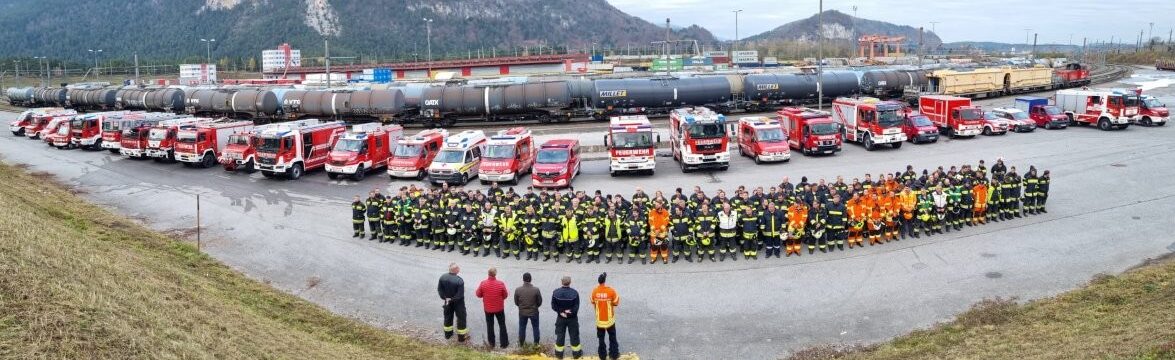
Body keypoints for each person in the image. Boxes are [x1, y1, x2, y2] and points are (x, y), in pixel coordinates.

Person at [475, 267, 509, 349]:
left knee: (490, 326)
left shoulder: (483, 283)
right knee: (502, 325)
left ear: (488, 274)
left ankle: (491, 343)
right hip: (499, 308)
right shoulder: (500, 284)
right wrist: (500, 299)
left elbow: (478, 294)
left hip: (488, 309)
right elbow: (505, 295)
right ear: (495, 274)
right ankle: (504, 343)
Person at [552, 276, 582, 359]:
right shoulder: (575, 293)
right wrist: (568, 313)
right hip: (572, 319)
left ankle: (559, 354)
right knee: (574, 336)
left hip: (561, 318)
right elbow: (576, 307)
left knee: (560, 336)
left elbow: (553, 306)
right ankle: (576, 354)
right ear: (570, 282)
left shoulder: (556, 293)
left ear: (562, 282)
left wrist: (561, 312)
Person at [591, 273, 620, 360]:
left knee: (601, 339)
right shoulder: (610, 291)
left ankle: (602, 356)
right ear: (605, 281)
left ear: (598, 281)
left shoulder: (594, 291)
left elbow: (592, 301)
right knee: (612, 337)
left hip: (599, 321)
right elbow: (616, 302)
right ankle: (614, 354)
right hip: (610, 321)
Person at [437, 263, 468, 342]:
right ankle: (461, 337)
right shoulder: (459, 280)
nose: (459, 269)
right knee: (461, 318)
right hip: (458, 303)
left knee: (448, 317)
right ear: (456, 270)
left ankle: (447, 334)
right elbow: (460, 294)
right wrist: (452, 299)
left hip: (447, 301)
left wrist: (445, 298)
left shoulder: (442, 277)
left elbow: (440, 290)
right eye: (458, 268)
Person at [515, 272, 542, 347]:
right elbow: (539, 302)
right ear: (531, 279)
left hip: (522, 312)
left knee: (522, 327)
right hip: (534, 312)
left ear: (523, 279)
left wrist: (521, 306)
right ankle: (536, 344)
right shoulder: (536, 290)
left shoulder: (518, 290)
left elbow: (516, 302)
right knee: (535, 328)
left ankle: (521, 344)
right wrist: (535, 307)